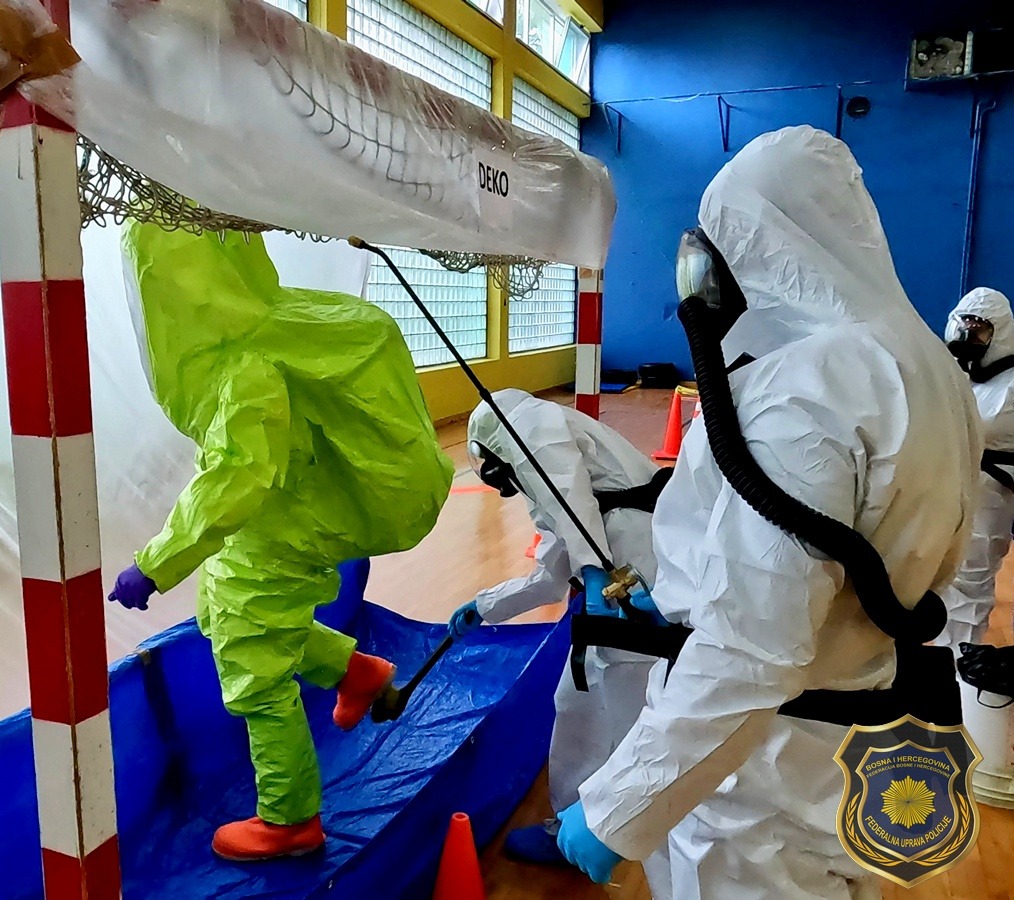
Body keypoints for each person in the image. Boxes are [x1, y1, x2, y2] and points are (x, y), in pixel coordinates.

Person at [554, 126, 980, 899]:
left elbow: (753, 649)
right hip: (864, 731)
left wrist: (619, 809)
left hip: (761, 777)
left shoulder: (803, 391)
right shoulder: (929, 368)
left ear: (748, 245)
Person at [109, 224, 454, 861]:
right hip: (285, 510)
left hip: (287, 518)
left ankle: (290, 818)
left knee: (253, 659)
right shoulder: (261, 336)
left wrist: (155, 564)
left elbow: (237, 479)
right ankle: (357, 671)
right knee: (224, 611)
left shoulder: (244, 365)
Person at [446, 389, 661, 865]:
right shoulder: (556, 471)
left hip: (637, 566)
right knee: (581, 697)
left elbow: (568, 493)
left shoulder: (530, 426)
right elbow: (551, 570)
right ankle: (578, 819)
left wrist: (594, 570)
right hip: (625, 564)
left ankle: (612, 825)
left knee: (623, 701)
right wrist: (486, 606)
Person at [938, 287, 1014, 650]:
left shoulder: (1009, 384)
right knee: (943, 571)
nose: (971, 335)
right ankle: (944, 655)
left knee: (972, 574)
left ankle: (963, 657)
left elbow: (983, 429)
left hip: (991, 487)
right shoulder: (954, 375)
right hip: (951, 481)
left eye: (981, 328)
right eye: (965, 325)